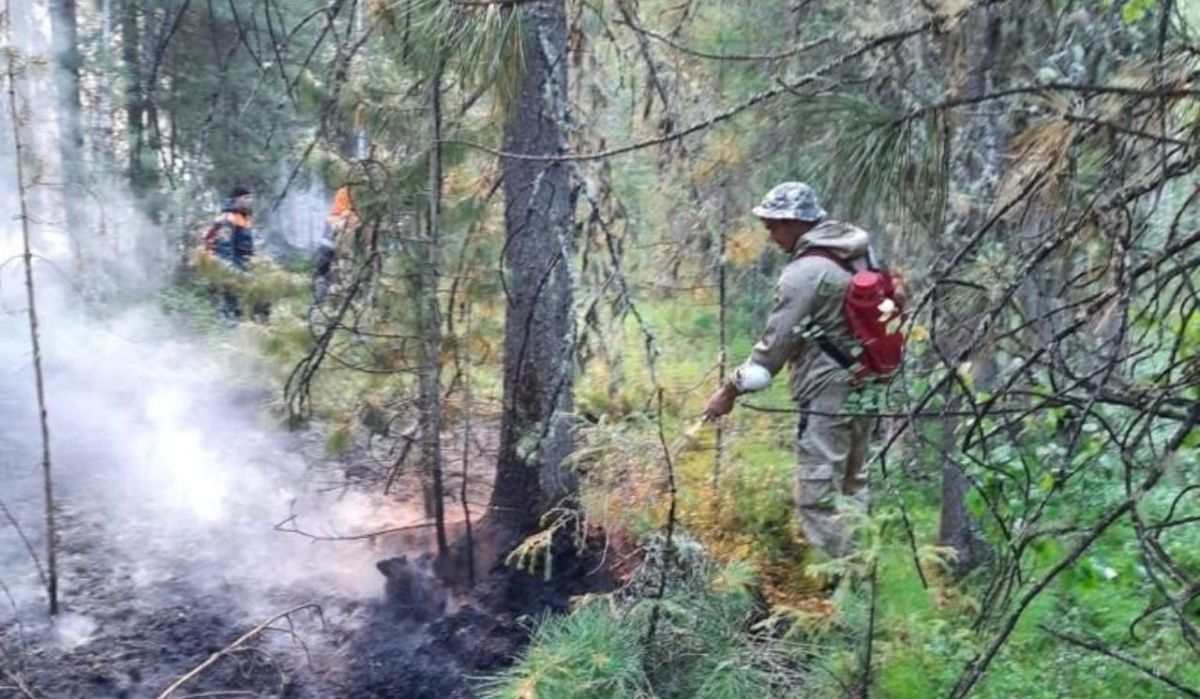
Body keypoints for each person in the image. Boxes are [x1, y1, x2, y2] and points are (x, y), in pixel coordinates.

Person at [703, 182, 874, 561]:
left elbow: (768, 358)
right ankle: (862, 583)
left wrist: (728, 392)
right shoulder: (858, 254)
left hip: (828, 392)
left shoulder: (805, 273)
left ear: (797, 221)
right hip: (867, 385)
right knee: (853, 484)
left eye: (774, 225)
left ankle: (837, 590)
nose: (770, 234)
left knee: (817, 495)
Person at [204, 184, 259, 319]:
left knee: (244, 299)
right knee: (231, 299)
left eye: (250, 197)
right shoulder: (228, 218)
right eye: (246, 197)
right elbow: (224, 246)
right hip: (232, 266)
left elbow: (246, 246)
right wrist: (231, 270)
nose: (249, 200)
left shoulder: (244, 217)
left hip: (243, 265)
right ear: (237, 199)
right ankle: (228, 329)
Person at [313, 184, 360, 303]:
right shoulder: (349, 219)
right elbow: (344, 245)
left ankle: (319, 306)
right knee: (338, 281)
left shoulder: (334, 216)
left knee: (323, 279)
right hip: (335, 253)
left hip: (326, 251)